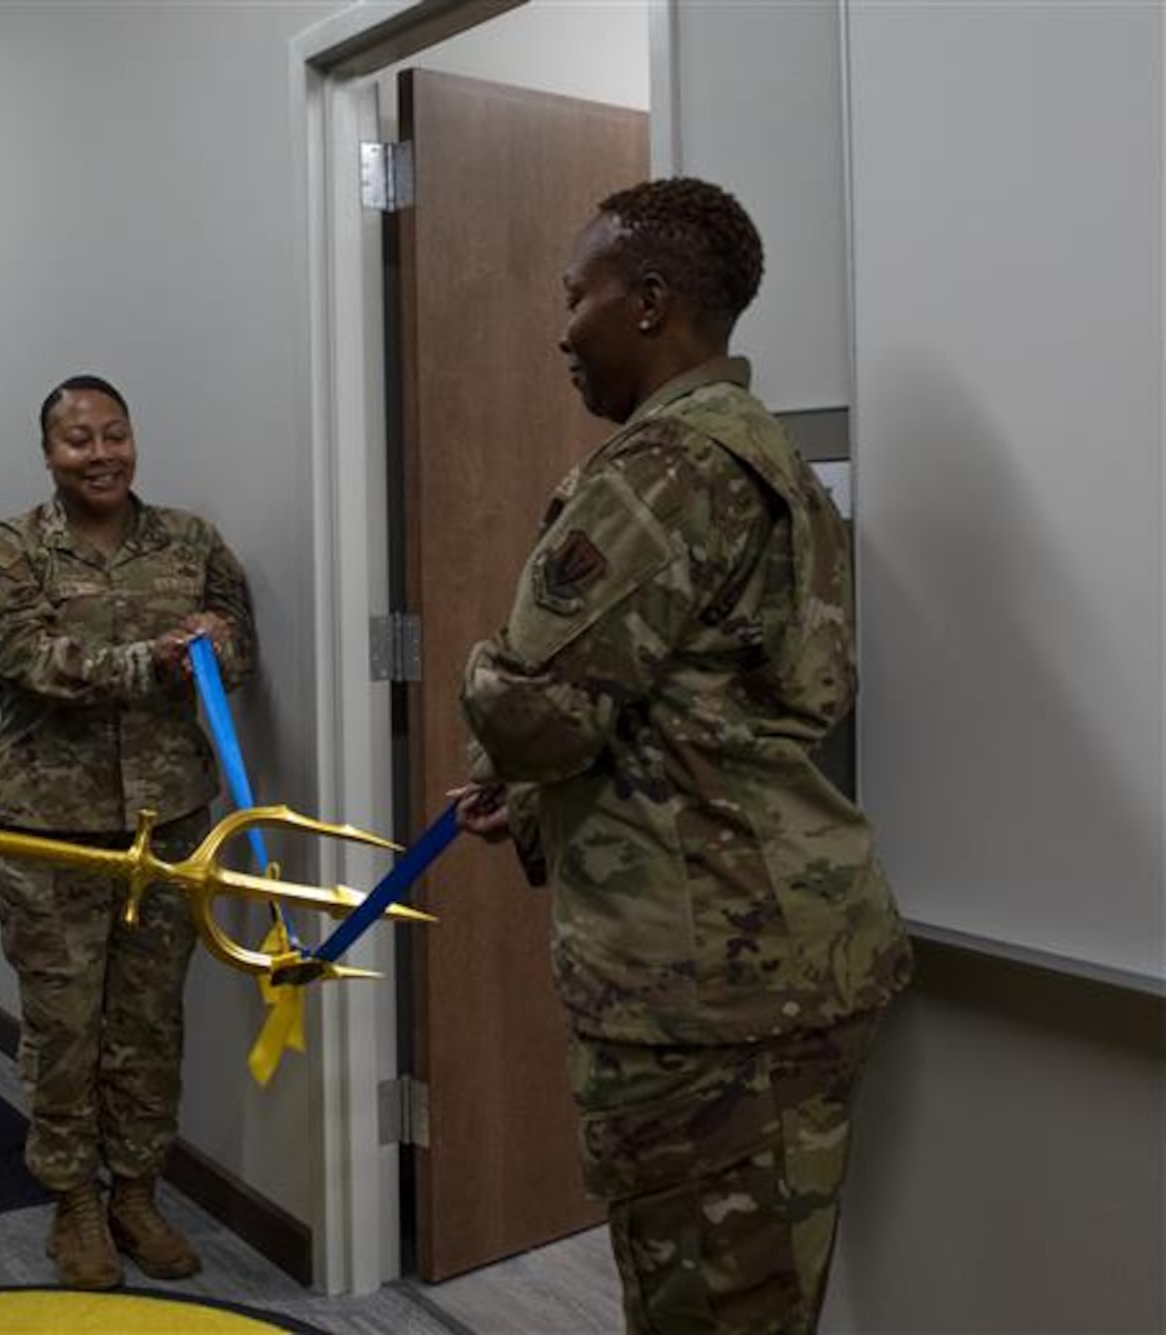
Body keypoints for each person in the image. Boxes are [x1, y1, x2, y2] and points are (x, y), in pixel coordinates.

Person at [453, 177, 913, 1334]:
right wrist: (540, 792)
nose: (561, 326)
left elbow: (535, 706)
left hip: (702, 986)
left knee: (702, 1310)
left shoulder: (664, 469)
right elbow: (723, 700)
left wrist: (485, 691)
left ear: (649, 301)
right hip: (783, 952)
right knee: (755, 1300)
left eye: (576, 295)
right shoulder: (764, 452)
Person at [0, 375, 257, 1290]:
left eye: (115, 434)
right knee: (64, 1024)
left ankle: (136, 1189)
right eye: (78, 440)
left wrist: (214, 636)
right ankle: (72, 1201)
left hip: (170, 826)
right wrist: (157, 658)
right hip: (52, 832)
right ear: (48, 455)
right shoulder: (5, 553)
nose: (101, 455)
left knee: (147, 1021)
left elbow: (239, 649)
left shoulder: (191, 542)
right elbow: (31, 660)